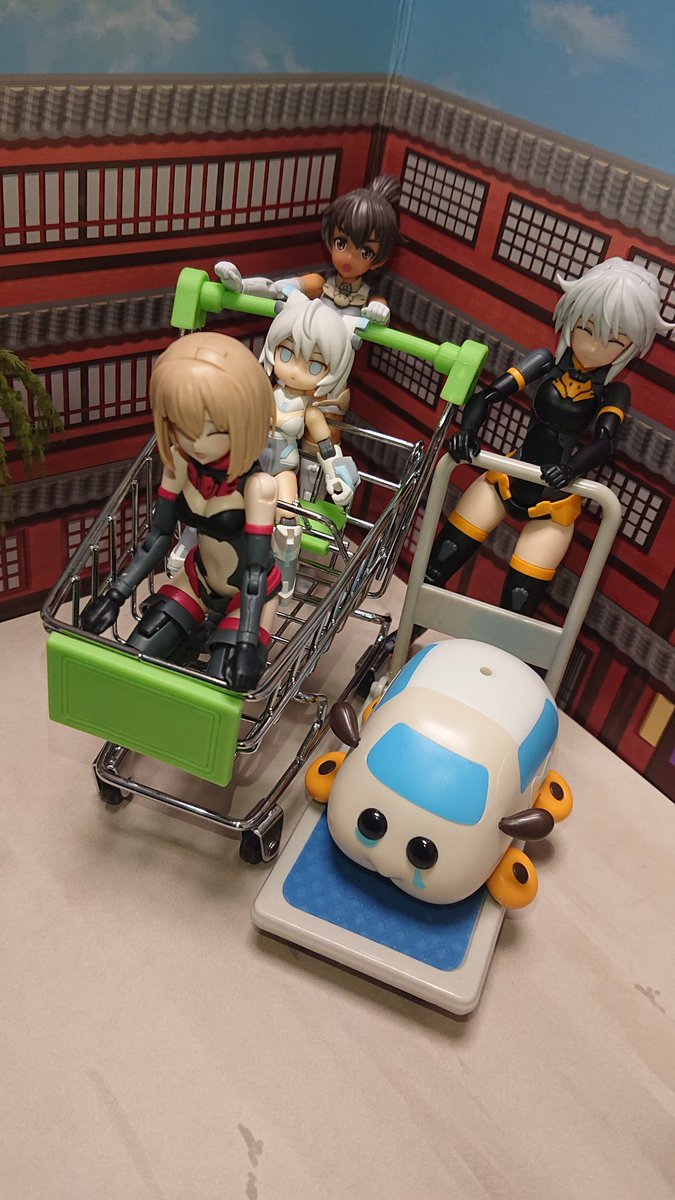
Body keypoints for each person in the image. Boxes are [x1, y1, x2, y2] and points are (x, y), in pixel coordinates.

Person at [426, 258, 673, 616]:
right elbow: (489, 395)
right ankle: (404, 635)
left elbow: (604, 441)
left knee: (518, 608)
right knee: (436, 567)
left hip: (555, 499)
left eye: (613, 340)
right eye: (586, 328)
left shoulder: (614, 391)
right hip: (507, 477)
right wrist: (467, 432)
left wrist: (570, 470)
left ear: (631, 347)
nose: (593, 346)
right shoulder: (544, 361)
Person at [81, 332, 280, 691]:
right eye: (183, 426)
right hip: (197, 577)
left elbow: (254, 572)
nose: (196, 443)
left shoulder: (258, 487)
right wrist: (115, 594)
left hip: (250, 597)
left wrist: (247, 643)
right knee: (136, 655)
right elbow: (157, 537)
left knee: (217, 687)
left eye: (214, 430)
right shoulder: (179, 465)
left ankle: (214, 641)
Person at [259, 291, 360, 601]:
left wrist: (337, 475)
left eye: (314, 366)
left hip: (283, 467)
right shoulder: (262, 390)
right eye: (286, 353)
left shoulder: (310, 410)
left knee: (288, 520)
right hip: (252, 460)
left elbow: (326, 446)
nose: (294, 370)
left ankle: (283, 575)